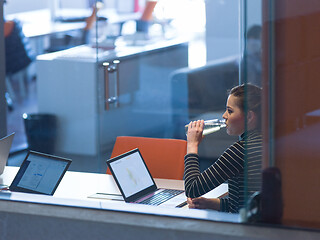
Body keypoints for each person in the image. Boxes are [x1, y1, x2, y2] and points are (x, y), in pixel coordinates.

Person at [184, 83, 262, 213]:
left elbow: (192, 189)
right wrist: (210, 203)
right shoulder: (269, 141)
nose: (224, 116)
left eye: (230, 111)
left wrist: (192, 145)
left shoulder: (240, 151)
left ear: (249, 117)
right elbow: (245, 203)